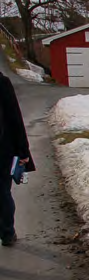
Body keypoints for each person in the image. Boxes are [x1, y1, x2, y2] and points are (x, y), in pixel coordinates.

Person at [0, 71, 34, 247]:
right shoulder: (2, 82)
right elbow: (14, 117)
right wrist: (23, 151)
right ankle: (7, 232)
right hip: (3, 150)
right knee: (3, 192)